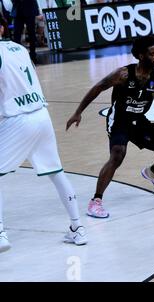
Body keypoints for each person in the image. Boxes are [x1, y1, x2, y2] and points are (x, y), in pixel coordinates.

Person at [66, 36, 154, 219]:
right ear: (141, 56)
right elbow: (98, 87)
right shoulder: (123, 74)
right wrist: (78, 112)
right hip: (119, 120)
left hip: (138, 121)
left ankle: (152, 172)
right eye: (152, 54)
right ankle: (96, 201)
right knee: (118, 154)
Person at [0, 24, 87, 253]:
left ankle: (0, 234)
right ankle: (77, 228)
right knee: (56, 172)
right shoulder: (18, 47)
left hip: (18, 119)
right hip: (41, 115)